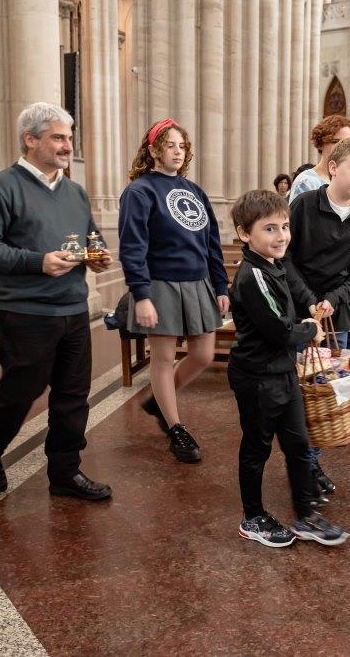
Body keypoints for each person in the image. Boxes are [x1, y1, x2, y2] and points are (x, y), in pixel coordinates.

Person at [0, 102, 113, 500]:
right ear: (30, 140)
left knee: (72, 396)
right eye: (58, 137)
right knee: (20, 392)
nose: (67, 145)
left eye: (69, 137)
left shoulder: (75, 191)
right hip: (24, 312)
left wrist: (97, 255)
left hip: (73, 310)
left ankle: (66, 473)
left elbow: (90, 236)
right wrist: (37, 261)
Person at [227, 190, 348, 547]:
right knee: (256, 449)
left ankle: (306, 515)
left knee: (298, 445)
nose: (281, 236)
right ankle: (252, 517)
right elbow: (281, 331)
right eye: (269, 229)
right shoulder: (253, 275)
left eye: (284, 227)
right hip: (257, 377)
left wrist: (310, 311)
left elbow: (288, 312)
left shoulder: (274, 266)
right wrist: (309, 328)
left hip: (281, 372)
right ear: (245, 233)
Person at [119, 118, 229, 465]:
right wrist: (142, 294)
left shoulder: (194, 191)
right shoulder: (140, 191)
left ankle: (158, 401)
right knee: (164, 360)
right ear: (153, 150)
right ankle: (176, 428)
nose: (178, 151)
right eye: (170, 145)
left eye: (182, 146)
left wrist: (221, 284)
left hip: (197, 283)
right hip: (161, 283)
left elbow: (211, 242)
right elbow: (132, 246)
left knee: (204, 355)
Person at [285, 137, 350, 499]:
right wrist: (309, 301)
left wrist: (332, 300)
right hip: (299, 301)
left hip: (332, 305)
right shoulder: (305, 205)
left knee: (320, 385)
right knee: (300, 386)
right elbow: (286, 258)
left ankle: (311, 461)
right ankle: (303, 462)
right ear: (334, 167)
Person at [289, 115, 350, 202]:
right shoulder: (306, 181)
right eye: (335, 141)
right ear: (321, 144)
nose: (342, 147)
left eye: (347, 142)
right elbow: (297, 215)